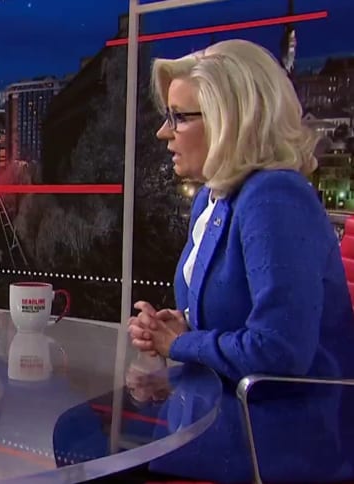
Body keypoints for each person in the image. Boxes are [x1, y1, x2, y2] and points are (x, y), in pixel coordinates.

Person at [126, 39, 354, 482]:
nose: (163, 133)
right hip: (213, 414)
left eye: (179, 117)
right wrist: (177, 326)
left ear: (229, 119)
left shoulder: (274, 198)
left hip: (272, 440)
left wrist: (180, 344)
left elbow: (279, 350)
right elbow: (234, 312)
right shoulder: (215, 198)